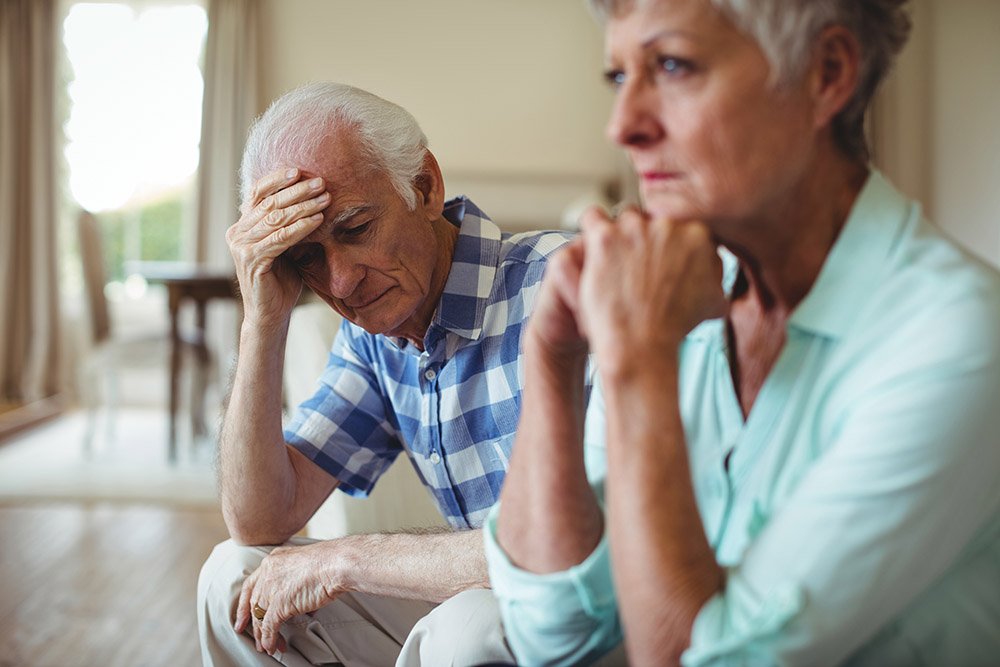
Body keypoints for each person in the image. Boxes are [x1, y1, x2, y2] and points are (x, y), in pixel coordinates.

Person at [485, 0, 1000, 665]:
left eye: (671, 65)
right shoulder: (671, 296)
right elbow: (552, 635)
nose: (623, 126)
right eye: (619, 77)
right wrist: (552, 355)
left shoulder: (955, 337)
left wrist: (639, 363)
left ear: (826, 73)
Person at [197, 81, 576, 666]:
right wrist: (262, 321)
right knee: (236, 579)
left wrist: (342, 559)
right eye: (306, 258)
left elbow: (565, 550)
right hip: (500, 609)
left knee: (470, 625)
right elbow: (259, 518)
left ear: (424, 187)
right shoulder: (376, 336)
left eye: (355, 229)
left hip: (611, 610)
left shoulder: (564, 288)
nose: (342, 282)